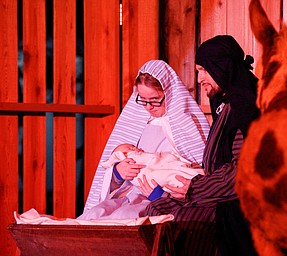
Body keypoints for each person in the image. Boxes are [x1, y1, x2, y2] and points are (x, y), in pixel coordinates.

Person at [142, 36, 260, 255]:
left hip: (240, 208)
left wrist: (195, 187)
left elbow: (243, 172)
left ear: (220, 67)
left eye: (204, 70)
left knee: (171, 222)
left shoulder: (246, 107)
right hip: (220, 197)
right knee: (156, 211)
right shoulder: (226, 105)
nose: (199, 79)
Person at [79, 60, 210, 220]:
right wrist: (118, 173)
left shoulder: (188, 128)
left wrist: (161, 196)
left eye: (155, 100)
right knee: (93, 214)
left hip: (163, 200)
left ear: (169, 93)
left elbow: (194, 177)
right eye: (143, 99)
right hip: (130, 194)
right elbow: (114, 172)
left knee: (124, 217)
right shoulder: (135, 124)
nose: (148, 106)